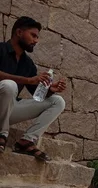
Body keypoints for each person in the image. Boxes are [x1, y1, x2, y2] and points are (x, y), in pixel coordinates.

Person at [0, 16, 66, 161]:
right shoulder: (1, 49)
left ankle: (26, 141)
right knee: (9, 85)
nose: (36, 40)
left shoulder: (27, 63)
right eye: (33, 35)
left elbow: (36, 94)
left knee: (58, 102)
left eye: (37, 37)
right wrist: (28, 79)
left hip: (7, 111)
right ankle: (2, 134)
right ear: (19, 32)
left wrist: (50, 89)